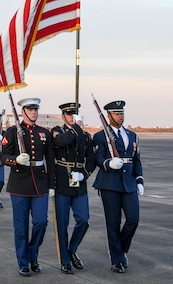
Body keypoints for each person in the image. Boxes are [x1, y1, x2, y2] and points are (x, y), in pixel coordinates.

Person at [1, 97, 55, 276]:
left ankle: (33, 254)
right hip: (19, 185)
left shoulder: (44, 133)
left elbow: (50, 161)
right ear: (23, 112)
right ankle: (23, 262)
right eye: (30, 110)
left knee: (41, 222)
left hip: (40, 183)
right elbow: (2, 157)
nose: (34, 112)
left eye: (36, 109)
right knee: (21, 226)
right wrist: (15, 160)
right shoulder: (12, 131)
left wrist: (51, 184)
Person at [92, 100, 144, 273]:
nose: (120, 116)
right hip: (110, 183)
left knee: (133, 219)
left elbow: (136, 159)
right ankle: (117, 260)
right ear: (108, 116)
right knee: (113, 223)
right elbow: (97, 159)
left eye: (121, 113)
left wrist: (139, 180)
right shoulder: (100, 136)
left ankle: (120, 251)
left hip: (128, 183)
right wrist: (108, 163)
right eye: (116, 113)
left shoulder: (132, 135)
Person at [51, 102, 96, 274]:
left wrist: (84, 174)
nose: (72, 117)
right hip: (62, 181)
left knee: (83, 220)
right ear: (63, 117)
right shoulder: (57, 131)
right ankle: (64, 260)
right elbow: (62, 141)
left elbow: (91, 159)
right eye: (68, 115)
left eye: (74, 114)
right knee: (62, 224)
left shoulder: (85, 135)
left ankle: (71, 250)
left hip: (79, 182)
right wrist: (76, 128)